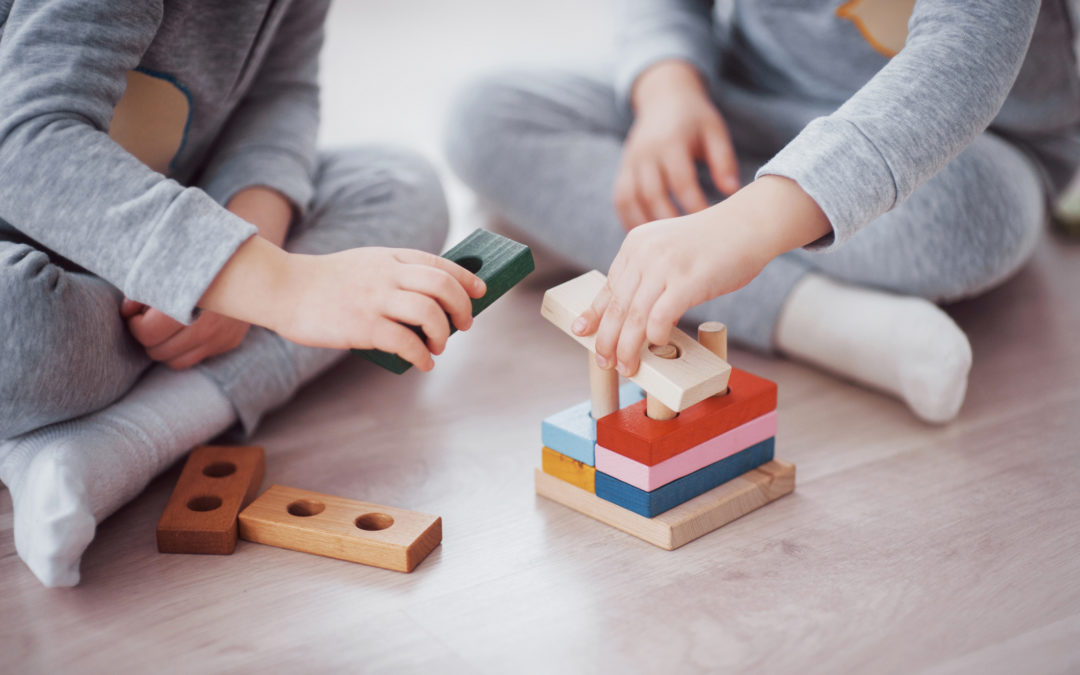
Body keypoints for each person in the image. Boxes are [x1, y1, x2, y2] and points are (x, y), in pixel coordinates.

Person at [0, 0, 484, 587]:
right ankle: (79, 429)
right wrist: (278, 287)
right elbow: (25, 144)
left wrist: (248, 234)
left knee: (400, 186)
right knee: (20, 328)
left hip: (165, 227)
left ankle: (107, 442)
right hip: (22, 256)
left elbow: (279, 93)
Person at [446, 0, 1078, 422]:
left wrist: (746, 226)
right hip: (741, 101)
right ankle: (813, 317)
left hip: (961, 146)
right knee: (485, 114)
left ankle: (615, 232)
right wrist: (667, 87)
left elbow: (960, 63)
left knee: (963, 224)